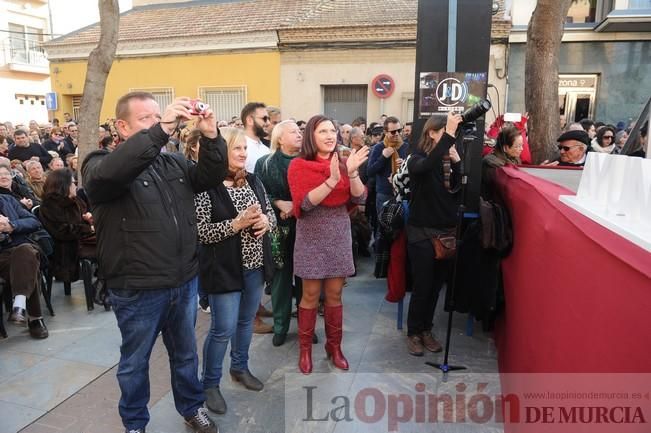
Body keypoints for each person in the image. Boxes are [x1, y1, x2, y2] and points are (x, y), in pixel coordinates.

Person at [81, 92, 227, 433]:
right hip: (137, 287)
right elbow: (115, 173)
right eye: (146, 118)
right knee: (135, 363)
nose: (159, 124)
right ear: (122, 126)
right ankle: (134, 424)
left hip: (183, 280)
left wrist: (211, 134)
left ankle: (191, 407)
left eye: (159, 116)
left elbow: (209, 176)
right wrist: (160, 130)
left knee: (185, 355)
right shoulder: (99, 163)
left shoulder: (172, 162)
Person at [195, 127, 275, 415]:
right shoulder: (207, 186)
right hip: (223, 269)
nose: (243, 153)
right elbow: (201, 233)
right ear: (220, 153)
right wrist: (236, 224)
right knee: (221, 329)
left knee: (245, 323)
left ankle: (239, 368)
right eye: (236, 148)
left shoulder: (253, 180)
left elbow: (271, 215)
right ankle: (210, 384)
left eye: (244, 148)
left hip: (254, 266)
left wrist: (267, 222)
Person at [287, 115, 369, 374]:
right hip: (311, 237)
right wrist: (331, 180)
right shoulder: (298, 166)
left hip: (338, 235)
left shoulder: (345, 163)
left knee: (335, 295)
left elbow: (361, 197)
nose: (329, 135)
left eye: (332, 130)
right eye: (322, 131)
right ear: (311, 135)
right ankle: (305, 351)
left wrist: (352, 172)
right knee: (309, 296)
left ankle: (335, 347)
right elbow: (305, 204)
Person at [405, 112, 462, 357]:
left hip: (445, 231)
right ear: (431, 133)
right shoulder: (416, 158)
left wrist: (458, 164)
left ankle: (426, 329)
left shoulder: (448, 160)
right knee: (423, 286)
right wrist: (449, 136)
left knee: (436, 286)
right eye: (443, 133)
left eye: (451, 135)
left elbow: (458, 191)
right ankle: (414, 332)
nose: (450, 139)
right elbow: (426, 166)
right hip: (421, 232)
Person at [255, 120, 303, 347]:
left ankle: (306, 327)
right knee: (280, 280)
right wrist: (278, 203)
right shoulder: (265, 164)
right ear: (280, 138)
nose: (299, 134)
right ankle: (281, 326)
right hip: (277, 229)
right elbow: (260, 194)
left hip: (306, 226)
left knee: (306, 279)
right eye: (293, 132)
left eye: (300, 131)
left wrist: (293, 205)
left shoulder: (308, 161)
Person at [1, 193, 48, 339]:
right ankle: (34, 318)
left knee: (26, 252)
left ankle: (19, 305)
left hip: (17, 249)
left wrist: (11, 226)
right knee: (29, 264)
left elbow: (34, 221)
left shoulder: (7, 199)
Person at [38, 168, 94, 292]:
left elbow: (79, 220)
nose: (75, 185)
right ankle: (104, 285)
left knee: (113, 242)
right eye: (73, 182)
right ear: (64, 185)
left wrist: (88, 219)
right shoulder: (50, 205)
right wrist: (87, 228)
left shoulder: (75, 200)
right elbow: (62, 231)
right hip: (66, 248)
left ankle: (104, 283)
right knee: (107, 249)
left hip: (81, 239)